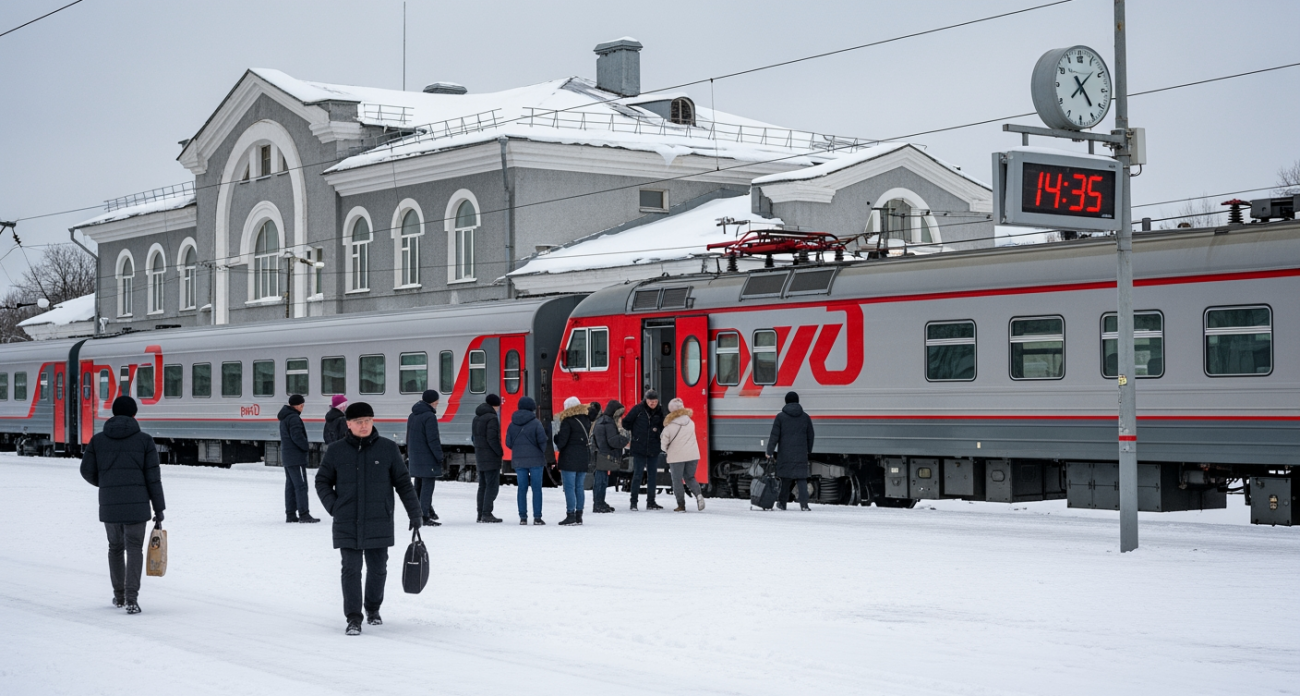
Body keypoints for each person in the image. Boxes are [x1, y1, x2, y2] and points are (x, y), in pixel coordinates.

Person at [315, 401, 422, 636]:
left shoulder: (387, 449)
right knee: (351, 569)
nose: (364, 426)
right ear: (349, 424)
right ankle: (353, 617)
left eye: (368, 421)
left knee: (378, 568)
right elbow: (322, 481)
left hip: (378, 518)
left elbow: (403, 483)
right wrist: (334, 507)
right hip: (347, 520)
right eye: (359, 422)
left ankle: (373, 609)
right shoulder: (336, 451)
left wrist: (415, 513)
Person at [79, 396, 165, 615]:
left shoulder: (98, 440)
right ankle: (131, 599)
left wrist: (106, 483)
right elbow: (153, 478)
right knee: (134, 548)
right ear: (134, 414)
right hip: (137, 506)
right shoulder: (144, 441)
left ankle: (119, 596)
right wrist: (159, 509)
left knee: (115, 548)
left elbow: (86, 471)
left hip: (110, 504)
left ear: (114, 414)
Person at [766, 391, 815, 511]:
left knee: (786, 479)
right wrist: (808, 449)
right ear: (798, 401)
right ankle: (804, 505)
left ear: (786, 401)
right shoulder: (805, 417)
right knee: (802, 479)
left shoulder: (780, 417)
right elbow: (811, 435)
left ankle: (782, 504)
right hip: (801, 453)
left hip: (785, 453)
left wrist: (769, 451)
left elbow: (774, 436)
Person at [506, 395, 548, 525]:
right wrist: (540, 451)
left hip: (519, 461)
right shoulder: (536, 423)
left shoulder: (512, 424)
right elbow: (543, 441)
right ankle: (537, 517)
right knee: (536, 489)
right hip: (536, 461)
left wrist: (518, 450)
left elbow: (508, 443)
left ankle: (523, 518)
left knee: (522, 488)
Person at [622, 390, 666, 510]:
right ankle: (633, 503)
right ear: (646, 400)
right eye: (651, 401)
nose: (653, 404)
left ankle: (651, 502)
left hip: (653, 447)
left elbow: (664, 426)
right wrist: (636, 434)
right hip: (639, 447)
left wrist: (657, 432)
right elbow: (626, 423)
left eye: (655, 401)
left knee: (652, 476)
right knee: (637, 475)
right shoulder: (638, 409)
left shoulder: (660, 411)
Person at [405, 389, 443, 527]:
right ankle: (424, 515)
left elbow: (408, 437)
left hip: (415, 455)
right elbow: (433, 439)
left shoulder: (412, 415)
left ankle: (417, 513)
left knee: (418, 486)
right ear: (432, 402)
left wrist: (410, 453)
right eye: (437, 403)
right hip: (427, 457)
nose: (437, 405)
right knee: (427, 486)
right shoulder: (429, 417)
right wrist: (439, 456)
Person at [553, 396, 593, 526]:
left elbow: (561, 443)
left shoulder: (568, 421)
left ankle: (570, 515)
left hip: (569, 458)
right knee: (579, 487)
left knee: (569, 488)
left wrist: (556, 437)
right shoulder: (586, 419)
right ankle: (579, 515)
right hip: (583, 458)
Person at [278, 394, 318, 524]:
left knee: (290, 485)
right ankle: (304, 514)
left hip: (288, 456)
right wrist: (306, 446)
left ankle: (290, 514)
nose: (303, 407)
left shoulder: (285, 418)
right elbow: (297, 437)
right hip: (296, 457)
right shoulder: (294, 418)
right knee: (301, 486)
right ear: (297, 405)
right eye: (302, 405)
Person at [660, 397, 705, 512]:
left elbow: (663, 443)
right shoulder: (691, 422)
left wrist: (665, 450)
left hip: (676, 457)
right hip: (693, 455)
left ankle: (681, 505)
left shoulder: (669, 426)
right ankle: (699, 496)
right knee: (690, 477)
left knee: (677, 480)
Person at [591, 400, 629, 513]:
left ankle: (600, 502)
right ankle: (598, 503)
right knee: (601, 480)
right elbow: (613, 440)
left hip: (600, 453)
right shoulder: (608, 422)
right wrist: (624, 439)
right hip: (604, 454)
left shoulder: (602, 420)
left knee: (601, 480)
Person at [472, 394, 504, 523]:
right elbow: (492, 439)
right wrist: (499, 452)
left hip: (480, 455)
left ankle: (480, 513)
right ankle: (487, 513)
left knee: (482, 485)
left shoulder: (476, 418)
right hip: (491, 456)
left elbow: (474, 438)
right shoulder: (492, 418)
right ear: (495, 405)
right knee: (492, 486)